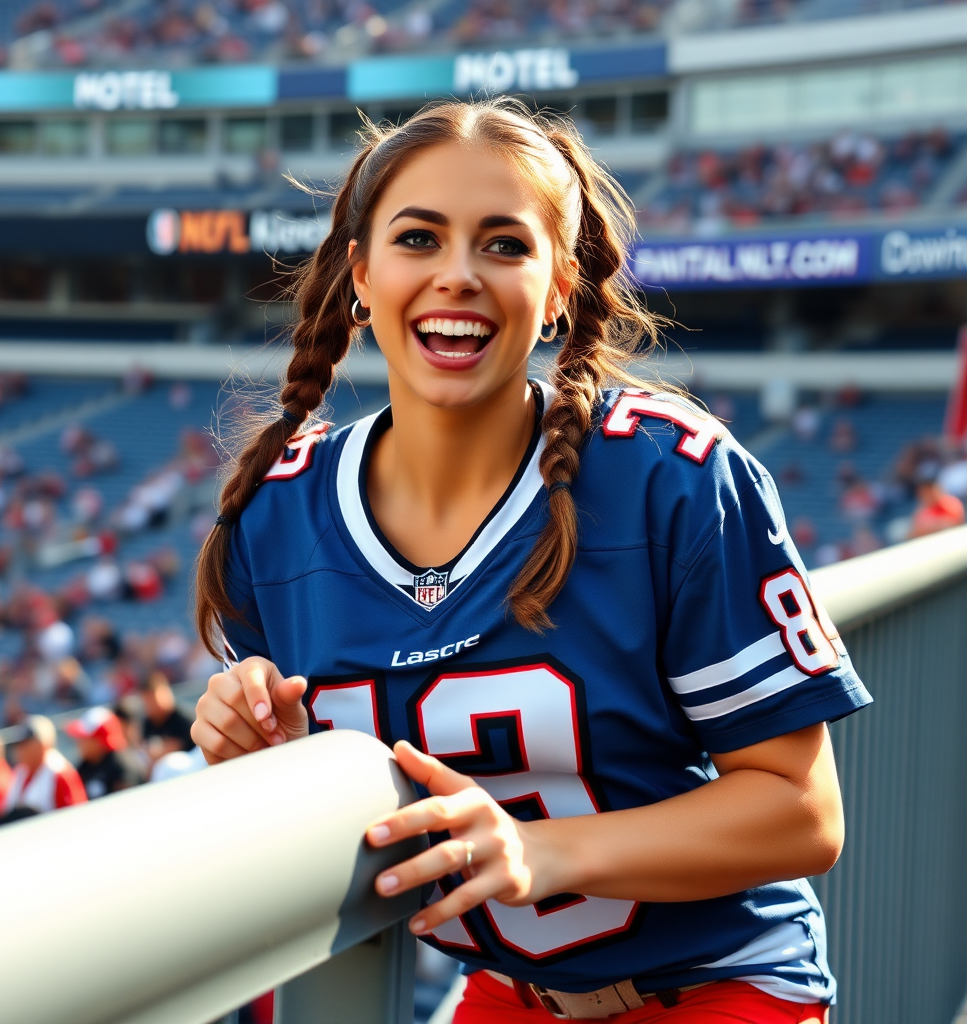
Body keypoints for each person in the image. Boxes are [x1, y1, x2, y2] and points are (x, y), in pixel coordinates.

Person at [190, 99, 871, 1024]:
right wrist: (251, 741)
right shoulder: (279, 509)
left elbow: (802, 813)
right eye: (419, 238)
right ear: (360, 272)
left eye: (505, 245)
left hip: (716, 987)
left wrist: (540, 852)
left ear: (557, 288)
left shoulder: (667, 478)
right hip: (505, 994)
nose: (458, 275)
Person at [0, 714, 86, 821]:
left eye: (24, 744)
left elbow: (76, 817)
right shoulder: (20, 771)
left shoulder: (60, 772)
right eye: (18, 745)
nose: (19, 750)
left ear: (42, 744)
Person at [66, 705, 144, 799]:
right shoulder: (85, 766)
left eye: (84, 738)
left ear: (99, 740)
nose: (78, 742)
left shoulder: (122, 767)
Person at [141, 671, 195, 760]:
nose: (151, 706)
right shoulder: (148, 723)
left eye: (154, 700)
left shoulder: (184, 719)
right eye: (147, 702)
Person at [908, 464, 966, 538]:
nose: (926, 493)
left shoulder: (950, 503)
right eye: (923, 491)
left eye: (929, 489)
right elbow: (913, 532)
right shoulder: (922, 509)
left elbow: (952, 525)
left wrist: (929, 527)